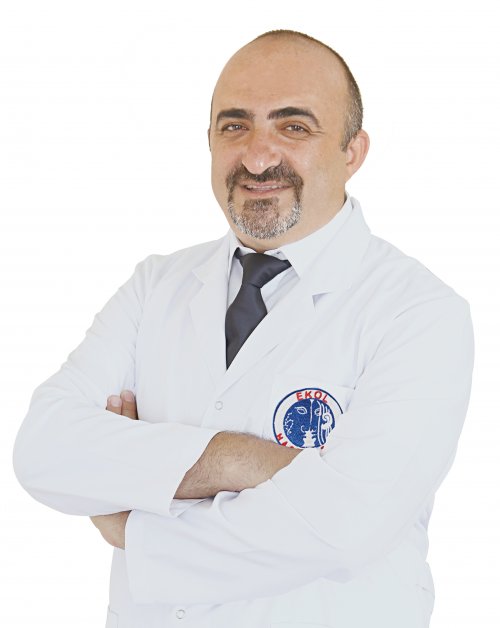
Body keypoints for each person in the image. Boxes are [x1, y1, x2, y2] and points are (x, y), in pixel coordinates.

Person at [13, 29, 474, 628]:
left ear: (352, 152)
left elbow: (342, 528)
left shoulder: (419, 312)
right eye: (235, 126)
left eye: (294, 126)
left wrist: (132, 518)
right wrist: (240, 460)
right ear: (209, 140)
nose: (257, 158)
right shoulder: (156, 285)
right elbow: (42, 450)